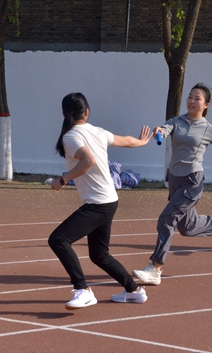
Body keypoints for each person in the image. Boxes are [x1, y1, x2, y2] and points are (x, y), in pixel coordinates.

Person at [133, 83, 212, 286]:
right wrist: (159, 131)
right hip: (174, 179)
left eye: (197, 98)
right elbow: (165, 129)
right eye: (190, 97)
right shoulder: (177, 121)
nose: (191, 101)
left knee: (166, 220)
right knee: (187, 228)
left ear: (205, 105)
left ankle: (156, 268)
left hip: (192, 181)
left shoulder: (209, 129)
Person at [48, 92, 151, 310]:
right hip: (109, 200)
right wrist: (142, 142)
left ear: (64, 114)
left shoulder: (70, 137)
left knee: (58, 240)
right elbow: (126, 141)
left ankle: (83, 290)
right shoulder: (99, 132)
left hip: (98, 204)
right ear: (86, 112)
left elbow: (88, 161)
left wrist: (62, 180)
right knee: (99, 255)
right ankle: (134, 290)